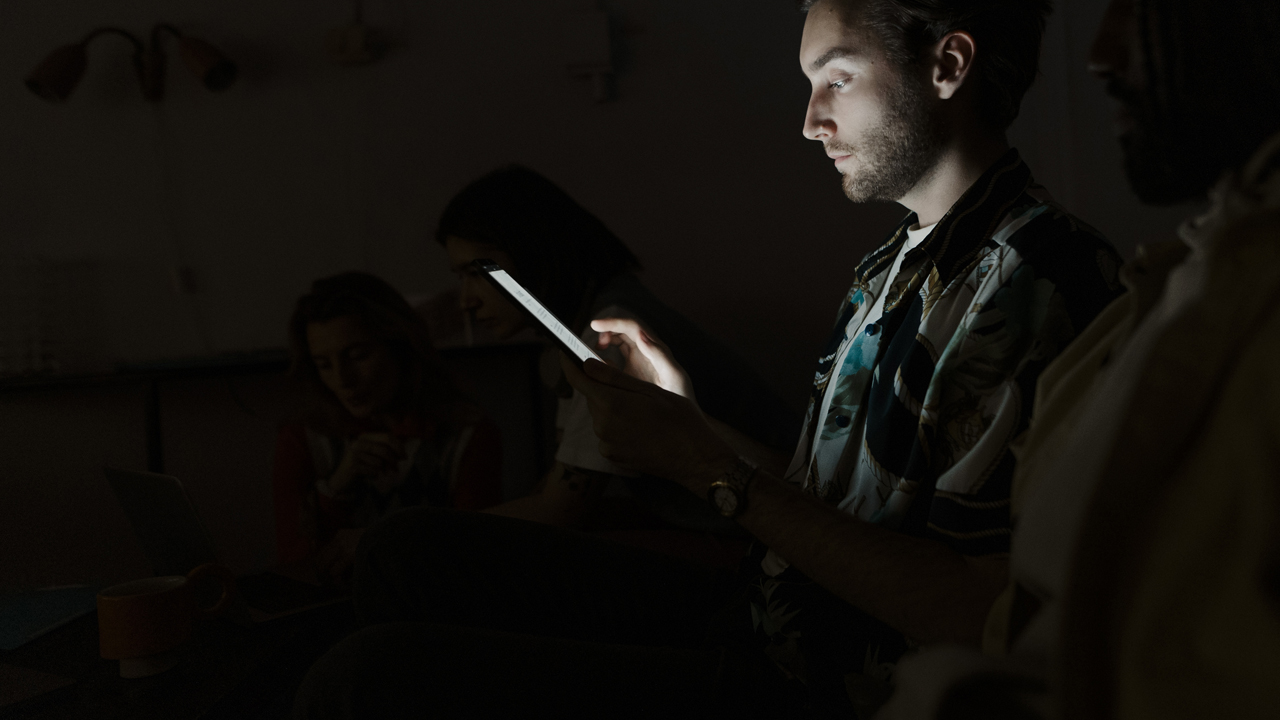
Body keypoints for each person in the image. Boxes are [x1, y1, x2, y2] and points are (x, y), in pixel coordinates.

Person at [293, 1, 1122, 717]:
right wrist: (688, 424)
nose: (809, 120)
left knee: (364, 679)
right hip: (768, 613)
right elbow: (809, 506)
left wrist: (704, 468)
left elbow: (978, 610)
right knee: (404, 550)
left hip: (827, 685)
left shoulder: (1036, 284)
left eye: (835, 78)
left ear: (948, 65)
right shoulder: (888, 270)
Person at [874, 0, 1280, 718]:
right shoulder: (1184, 272)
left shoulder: (1045, 272)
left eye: (1141, 10)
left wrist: (718, 476)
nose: (1100, 53)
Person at [438, 164, 798, 554]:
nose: (467, 300)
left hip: (770, 542)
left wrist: (427, 537)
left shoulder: (607, 333)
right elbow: (558, 494)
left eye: (479, 272)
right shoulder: (582, 326)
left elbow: (561, 510)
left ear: (535, 249)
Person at [272, 272, 503, 584]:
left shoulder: (466, 435)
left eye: (358, 356)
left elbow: (480, 554)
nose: (343, 380)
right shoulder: (303, 440)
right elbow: (294, 564)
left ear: (399, 347)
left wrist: (391, 542)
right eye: (324, 365)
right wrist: (335, 489)